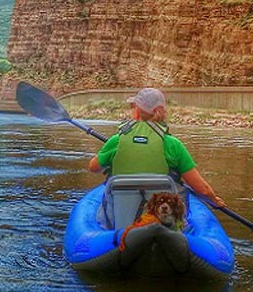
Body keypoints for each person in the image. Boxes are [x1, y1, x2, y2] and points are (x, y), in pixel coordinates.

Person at [88, 87, 226, 208]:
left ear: (137, 111)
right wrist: (214, 200)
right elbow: (203, 189)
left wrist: (113, 155)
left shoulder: (117, 140)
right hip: (163, 217)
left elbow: (93, 167)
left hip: (122, 215)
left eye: (133, 106)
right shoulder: (173, 144)